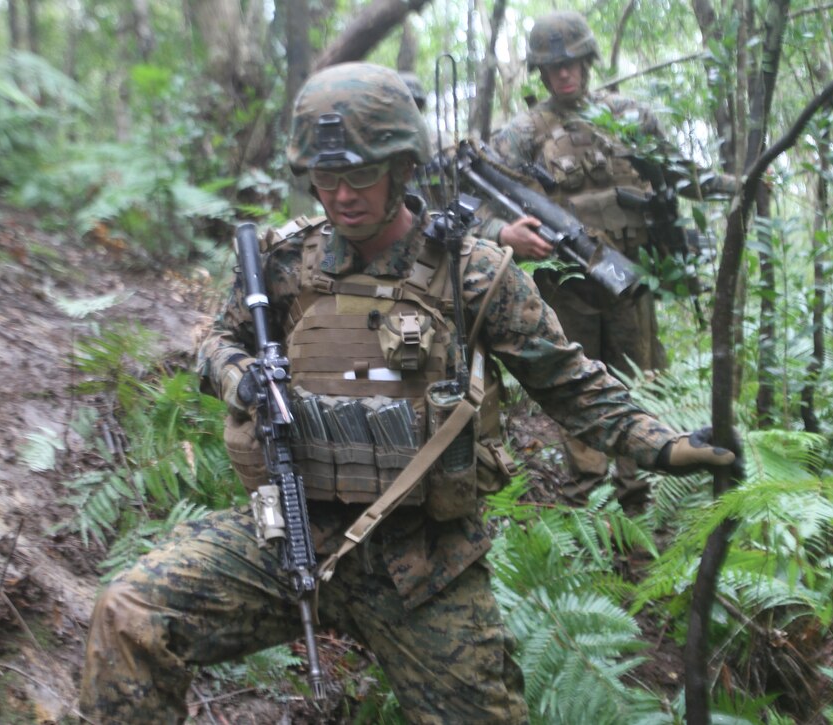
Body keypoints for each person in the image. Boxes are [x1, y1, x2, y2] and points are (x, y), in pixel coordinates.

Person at [77, 62, 736, 724]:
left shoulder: (472, 274)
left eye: (360, 174)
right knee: (128, 614)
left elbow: (572, 384)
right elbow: (216, 342)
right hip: (287, 532)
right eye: (326, 177)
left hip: (422, 564)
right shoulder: (284, 263)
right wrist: (237, 376)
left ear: (402, 166)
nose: (341, 195)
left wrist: (668, 446)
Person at [477, 10, 736, 500]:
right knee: (577, 382)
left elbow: (679, 175)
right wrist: (506, 233)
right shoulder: (521, 134)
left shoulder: (629, 118)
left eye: (573, 62)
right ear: (540, 72)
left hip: (629, 279)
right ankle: (587, 492)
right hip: (565, 287)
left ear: (589, 61)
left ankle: (639, 488)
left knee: (640, 376)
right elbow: (474, 208)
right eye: (553, 67)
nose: (564, 74)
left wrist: (739, 184)